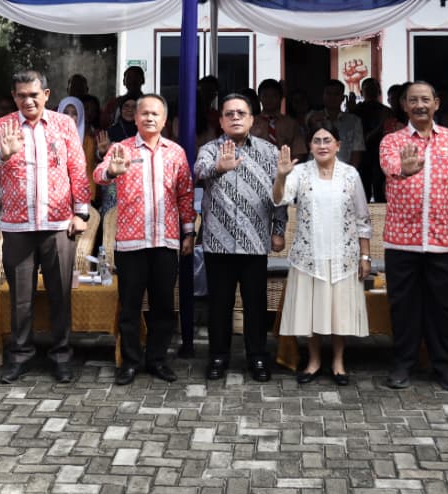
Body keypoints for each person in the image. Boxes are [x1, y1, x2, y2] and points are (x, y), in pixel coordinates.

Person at [0, 70, 90, 385]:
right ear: (14, 96)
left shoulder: (64, 124)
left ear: (46, 94)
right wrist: (4, 153)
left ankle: (61, 356)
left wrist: (81, 213)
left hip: (58, 224)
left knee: (60, 294)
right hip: (18, 226)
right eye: (21, 95)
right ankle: (20, 356)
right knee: (20, 298)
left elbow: (77, 168)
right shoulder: (2, 125)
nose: (28, 101)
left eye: (33, 94)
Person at [378, 81, 448, 391]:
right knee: (403, 308)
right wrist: (406, 170)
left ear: (436, 103)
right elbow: (390, 166)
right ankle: (402, 365)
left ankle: (445, 366)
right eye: (413, 100)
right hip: (401, 241)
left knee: (444, 309)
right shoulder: (392, 140)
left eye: (425, 99)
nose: (419, 105)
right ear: (404, 105)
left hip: (445, 241)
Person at [94, 95, 195, 385]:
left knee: (163, 306)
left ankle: (157, 360)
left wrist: (189, 232)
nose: (150, 118)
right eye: (145, 113)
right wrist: (111, 170)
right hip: (131, 242)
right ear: (135, 118)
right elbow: (99, 175)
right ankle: (130, 361)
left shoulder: (175, 152)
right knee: (129, 306)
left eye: (155, 114)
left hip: (165, 240)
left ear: (164, 120)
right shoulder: (121, 149)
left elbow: (185, 194)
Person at [194, 93, 286, 382]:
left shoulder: (269, 152)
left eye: (241, 113)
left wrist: (278, 230)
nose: (235, 117)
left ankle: (257, 357)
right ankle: (218, 357)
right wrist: (219, 167)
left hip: (255, 242)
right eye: (229, 114)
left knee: (255, 305)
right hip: (218, 242)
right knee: (219, 305)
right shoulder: (210, 149)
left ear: (251, 119)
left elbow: (280, 195)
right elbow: (199, 171)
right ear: (221, 121)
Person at [273, 127, 371, 385]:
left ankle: (338, 362)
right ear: (310, 146)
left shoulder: (350, 174)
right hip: (309, 256)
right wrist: (281, 176)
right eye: (316, 141)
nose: (322, 145)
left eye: (327, 140)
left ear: (338, 145)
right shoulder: (300, 172)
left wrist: (365, 256)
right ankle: (314, 361)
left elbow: (362, 218)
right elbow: (280, 199)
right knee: (312, 310)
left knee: (339, 312)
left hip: (343, 255)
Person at [304, 79, 365, 168]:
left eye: (336, 94)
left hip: (342, 171)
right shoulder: (313, 117)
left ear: (343, 97)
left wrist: (349, 174)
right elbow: (305, 138)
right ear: (323, 96)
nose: (332, 97)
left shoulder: (354, 121)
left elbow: (357, 151)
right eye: (328, 94)